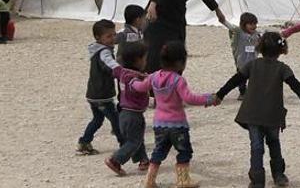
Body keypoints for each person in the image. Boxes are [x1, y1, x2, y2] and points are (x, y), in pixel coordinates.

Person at [216, 32, 300, 188]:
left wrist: (220, 95)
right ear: (281, 50)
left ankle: (257, 180)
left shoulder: (253, 64)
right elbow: (295, 85)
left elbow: (235, 80)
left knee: (256, 147)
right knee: (274, 143)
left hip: (253, 115)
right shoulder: (282, 68)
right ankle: (278, 175)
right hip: (272, 115)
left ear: (260, 47)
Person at [133, 41, 217, 188]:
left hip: (159, 124)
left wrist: (132, 81)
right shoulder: (178, 80)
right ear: (180, 63)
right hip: (177, 124)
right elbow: (189, 98)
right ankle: (183, 181)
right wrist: (208, 99)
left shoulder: (153, 77)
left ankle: (149, 180)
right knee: (184, 151)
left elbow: (140, 87)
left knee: (158, 152)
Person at [76, 20, 122, 155]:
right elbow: (109, 65)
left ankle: (84, 142)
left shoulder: (96, 50)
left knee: (97, 119)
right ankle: (126, 144)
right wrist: (120, 71)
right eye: (109, 36)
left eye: (114, 35)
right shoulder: (104, 52)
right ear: (98, 37)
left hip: (93, 93)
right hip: (102, 95)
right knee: (116, 120)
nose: (113, 38)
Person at [104, 41, 149, 176]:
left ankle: (143, 160)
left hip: (124, 113)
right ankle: (115, 160)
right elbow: (137, 86)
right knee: (134, 141)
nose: (146, 61)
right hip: (133, 115)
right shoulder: (133, 78)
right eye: (145, 58)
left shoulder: (123, 72)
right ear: (138, 60)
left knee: (137, 137)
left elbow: (115, 69)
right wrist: (149, 81)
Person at [219, 12, 262, 100]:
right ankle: (242, 93)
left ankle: (253, 92)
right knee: (241, 80)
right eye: (250, 24)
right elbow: (228, 25)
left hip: (253, 61)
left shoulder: (256, 34)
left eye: (255, 24)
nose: (253, 26)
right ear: (243, 24)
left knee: (255, 78)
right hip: (241, 62)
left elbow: (260, 46)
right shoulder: (238, 32)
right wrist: (222, 19)